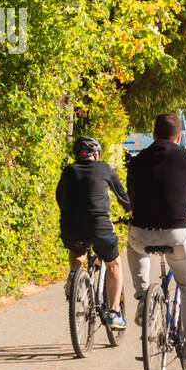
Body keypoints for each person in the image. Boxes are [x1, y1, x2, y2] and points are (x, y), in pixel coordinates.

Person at [126, 113, 186, 370]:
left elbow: (132, 200)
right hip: (176, 234)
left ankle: (142, 297)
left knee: (133, 243)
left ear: (153, 134)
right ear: (179, 137)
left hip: (141, 233)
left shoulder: (137, 162)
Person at [55, 136, 131, 330]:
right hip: (99, 226)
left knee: (78, 251)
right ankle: (114, 312)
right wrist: (133, 216)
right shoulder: (105, 169)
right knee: (114, 264)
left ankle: (74, 275)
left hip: (70, 226)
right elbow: (124, 199)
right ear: (96, 155)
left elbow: (60, 198)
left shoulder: (68, 171)